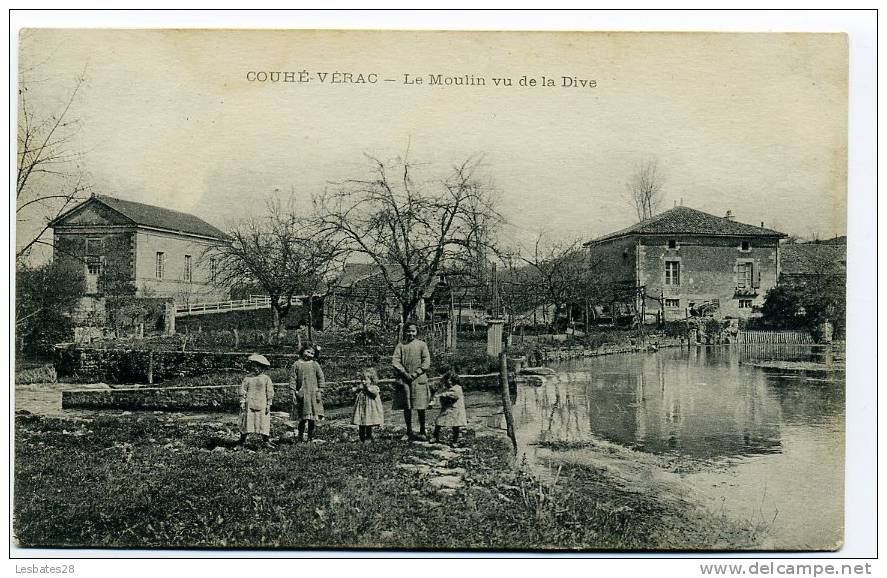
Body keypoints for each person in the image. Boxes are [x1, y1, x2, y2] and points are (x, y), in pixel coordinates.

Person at [391, 321, 432, 441]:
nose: (410, 334)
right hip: (405, 380)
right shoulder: (400, 346)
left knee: (421, 406)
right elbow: (395, 361)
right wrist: (404, 373)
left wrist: (415, 374)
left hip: (419, 379)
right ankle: (409, 431)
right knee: (407, 407)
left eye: (413, 331)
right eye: (408, 331)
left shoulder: (422, 345)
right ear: (405, 332)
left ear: (417, 332)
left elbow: (426, 362)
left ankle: (423, 430)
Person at [236, 353, 275, 450]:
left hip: (262, 403)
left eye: (258, 366)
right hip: (249, 404)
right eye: (254, 366)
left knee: (263, 423)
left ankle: (266, 441)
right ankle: (242, 442)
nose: (255, 368)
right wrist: (242, 401)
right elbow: (242, 391)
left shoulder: (266, 379)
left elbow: (269, 392)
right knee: (246, 423)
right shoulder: (247, 378)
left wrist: (269, 404)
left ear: (263, 368)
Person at [289, 343, 325, 442]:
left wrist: (320, 390)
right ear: (302, 351)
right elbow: (293, 379)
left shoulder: (315, 364)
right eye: (307, 352)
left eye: (312, 353)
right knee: (302, 418)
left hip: (313, 394)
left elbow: (321, 378)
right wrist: (293, 391)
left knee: (312, 418)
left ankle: (310, 437)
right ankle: (300, 437)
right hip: (302, 394)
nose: (309, 355)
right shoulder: (296, 364)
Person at [433, 368, 467, 446]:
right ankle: (435, 436)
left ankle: (455, 441)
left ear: (454, 380)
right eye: (447, 381)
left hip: (456, 410)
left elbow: (453, 395)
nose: (448, 383)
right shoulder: (448, 388)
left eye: (450, 381)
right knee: (439, 421)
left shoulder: (457, 388)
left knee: (455, 425)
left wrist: (442, 395)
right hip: (447, 408)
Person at [351, 367, 384, 442]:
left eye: (365, 380)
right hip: (362, 408)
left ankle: (368, 436)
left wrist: (367, 388)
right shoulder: (362, 388)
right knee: (361, 422)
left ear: (371, 380)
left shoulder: (374, 387)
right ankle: (361, 437)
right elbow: (355, 391)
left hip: (370, 408)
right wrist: (357, 389)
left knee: (368, 422)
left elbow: (374, 394)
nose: (363, 381)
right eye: (362, 379)